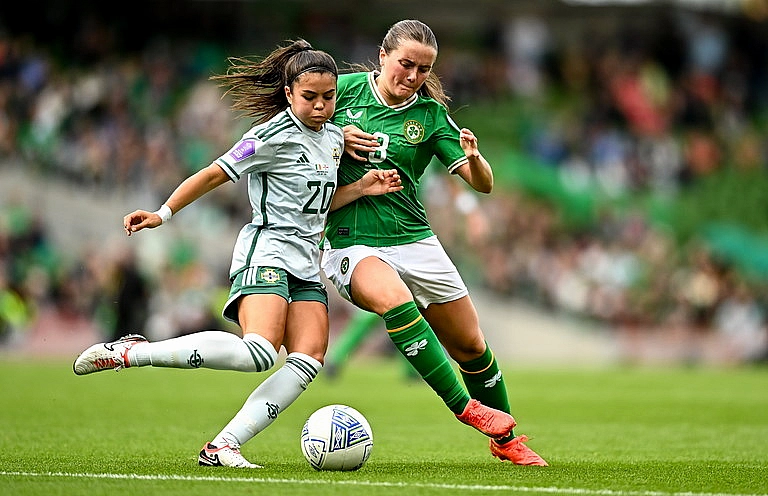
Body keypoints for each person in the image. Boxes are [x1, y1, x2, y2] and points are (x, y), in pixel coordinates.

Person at [72, 39, 403, 469]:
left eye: (329, 97)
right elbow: (213, 174)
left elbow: (315, 204)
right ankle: (132, 352)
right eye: (310, 97)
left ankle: (223, 446)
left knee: (308, 360)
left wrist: (359, 189)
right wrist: (162, 213)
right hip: (267, 249)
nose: (321, 106)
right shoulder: (268, 136)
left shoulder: (336, 138)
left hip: (306, 258)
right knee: (259, 353)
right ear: (288, 94)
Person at [321, 20, 548, 466]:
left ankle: (508, 442)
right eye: (405, 64)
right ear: (383, 55)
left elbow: (481, 183)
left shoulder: (430, 116)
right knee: (394, 299)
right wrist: (334, 135)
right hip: (351, 242)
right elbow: (294, 127)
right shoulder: (340, 92)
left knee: (471, 347)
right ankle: (466, 408)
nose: (412, 76)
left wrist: (478, 159)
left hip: (415, 239)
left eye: (423, 69)